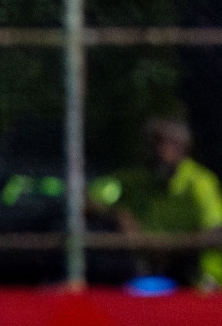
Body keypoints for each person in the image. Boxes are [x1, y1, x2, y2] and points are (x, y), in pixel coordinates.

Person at [90, 116, 222, 289]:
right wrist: (118, 214)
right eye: (157, 142)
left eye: (171, 143)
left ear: (184, 148)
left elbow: (215, 233)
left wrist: (164, 246)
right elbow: (91, 197)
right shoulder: (135, 179)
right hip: (148, 270)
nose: (163, 150)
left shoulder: (200, 183)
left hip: (197, 276)